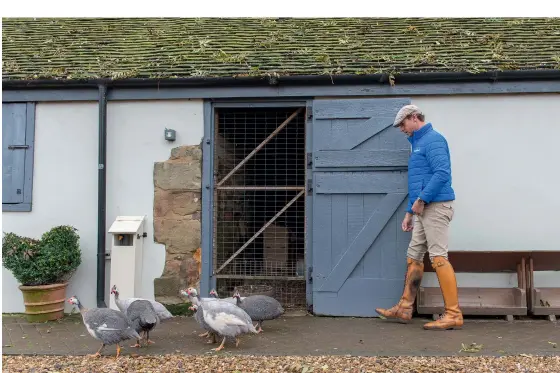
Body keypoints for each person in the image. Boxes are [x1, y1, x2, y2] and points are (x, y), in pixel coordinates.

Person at [375, 104, 463, 330]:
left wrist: (422, 200)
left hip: (436, 206)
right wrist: (409, 212)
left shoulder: (433, 140)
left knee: (438, 258)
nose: (401, 129)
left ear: (414, 118)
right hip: (423, 208)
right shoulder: (417, 144)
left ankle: (453, 314)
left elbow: (442, 173)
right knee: (414, 256)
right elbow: (417, 183)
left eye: (403, 124)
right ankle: (405, 308)